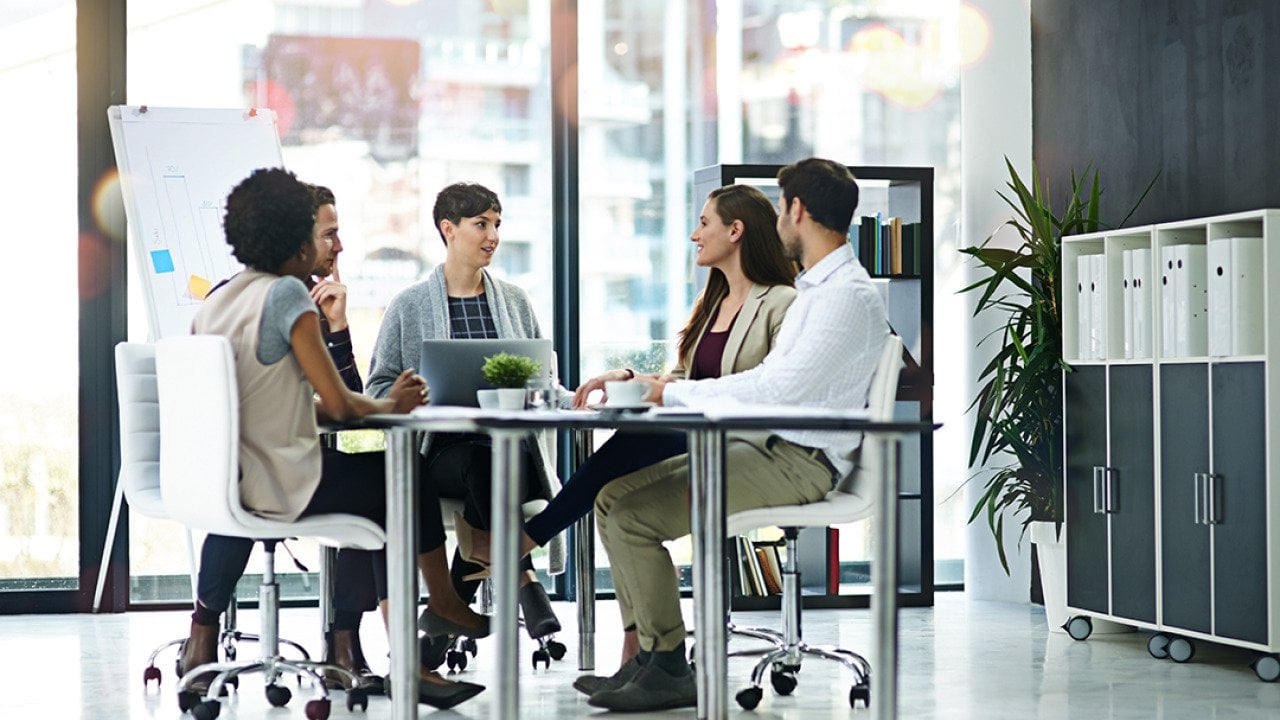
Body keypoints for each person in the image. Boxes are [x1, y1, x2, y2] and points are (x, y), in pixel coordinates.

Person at [579, 158, 889, 712]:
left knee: (632, 517)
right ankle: (650, 659)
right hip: (766, 447)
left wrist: (672, 395)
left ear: (798, 210)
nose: (778, 222)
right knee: (610, 498)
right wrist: (666, 388)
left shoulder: (846, 295)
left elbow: (779, 388)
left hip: (800, 460)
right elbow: (766, 379)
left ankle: (669, 666)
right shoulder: (818, 290)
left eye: (781, 209)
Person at [451, 183, 799, 672]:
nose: (695, 234)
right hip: (697, 429)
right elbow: (683, 379)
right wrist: (629, 378)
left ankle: (522, 544)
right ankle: (633, 643)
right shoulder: (714, 301)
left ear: (736, 231)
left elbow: (768, 386)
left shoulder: (781, 303)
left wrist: (667, 392)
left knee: (631, 448)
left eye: (704, 223)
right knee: (612, 490)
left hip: (741, 441)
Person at [179, 168, 487, 710]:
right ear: (296, 238)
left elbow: (278, 402)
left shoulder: (219, 302)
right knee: (403, 476)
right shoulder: (286, 297)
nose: (338, 247)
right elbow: (343, 404)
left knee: (383, 491)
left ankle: (403, 652)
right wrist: (392, 404)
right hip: (280, 482)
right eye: (326, 235)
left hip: (228, 480)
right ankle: (436, 607)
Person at [366, 182, 562, 664]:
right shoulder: (409, 305)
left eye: (497, 224)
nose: (493, 235)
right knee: (482, 462)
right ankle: (522, 576)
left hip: (512, 451)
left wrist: (558, 394)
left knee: (494, 463)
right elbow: (378, 387)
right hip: (442, 455)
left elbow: (545, 378)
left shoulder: (515, 301)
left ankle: (446, 616)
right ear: (448, 229)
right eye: (481, 224)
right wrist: (409, 396)